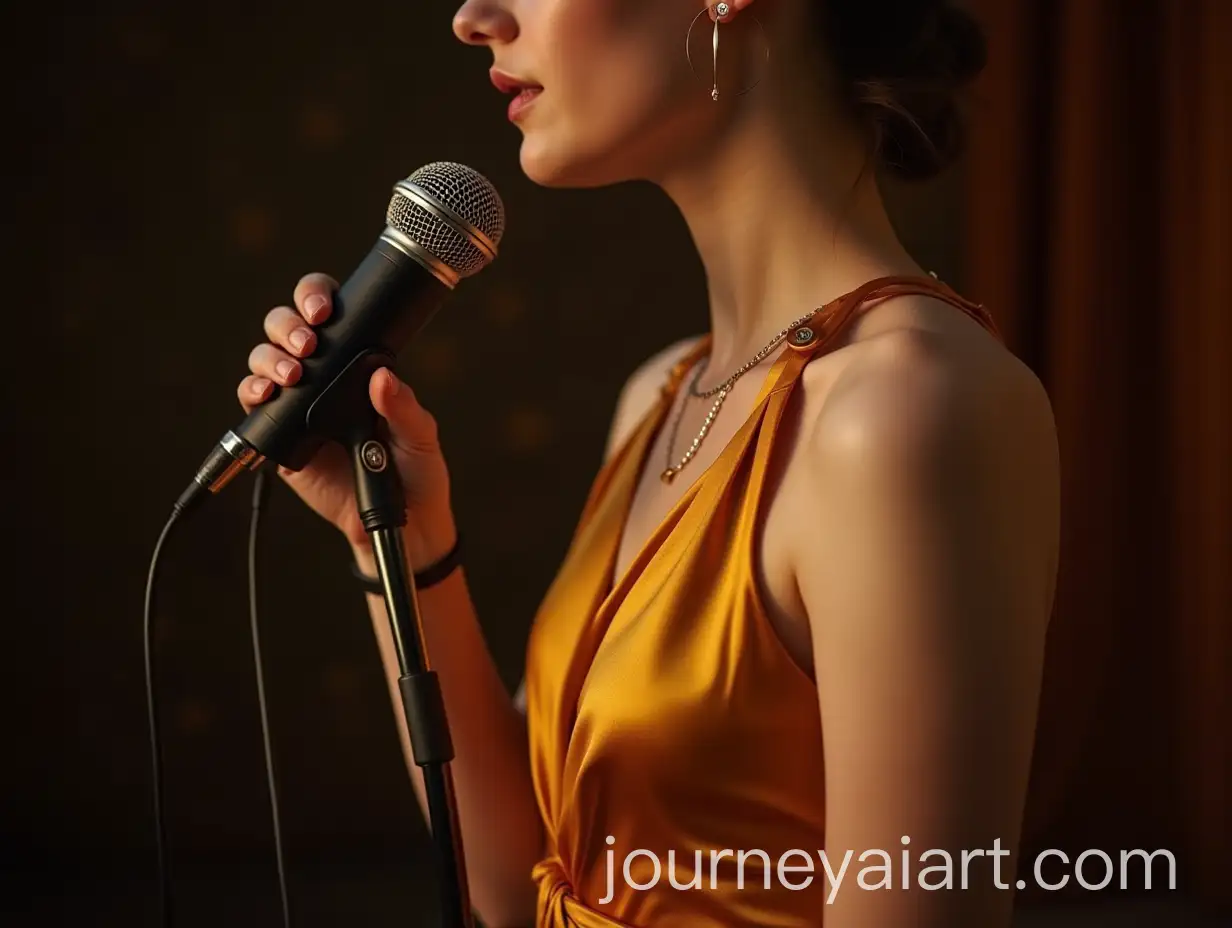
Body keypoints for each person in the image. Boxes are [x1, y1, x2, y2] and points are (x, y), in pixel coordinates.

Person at [236, 0, 1060, 924]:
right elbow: (519, 888)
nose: (474, 17)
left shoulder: (907, 411)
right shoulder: (663, 393)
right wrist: (395, 534)